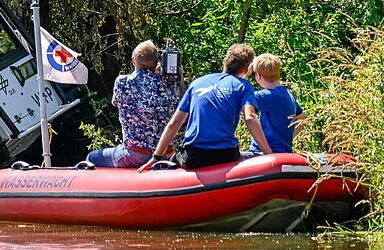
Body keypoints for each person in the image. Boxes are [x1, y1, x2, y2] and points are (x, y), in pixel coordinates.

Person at [138, 43, 273, 172]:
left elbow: (175, 123)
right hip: (226, 155)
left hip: (193, 157)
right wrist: (268, 154)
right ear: (247, 69)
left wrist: (156, 157)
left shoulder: (197, 83)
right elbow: (250, 118)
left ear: (225, 61)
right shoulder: (243, 86)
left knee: (173, 154)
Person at [85, 41, 182, 168]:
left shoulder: (123, 82)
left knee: (92, 157)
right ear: (158, 61)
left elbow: (115, 103)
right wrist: (176, 74)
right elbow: (181, 103)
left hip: (135, 155)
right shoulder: (169, 84)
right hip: (166, 153)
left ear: (133, 61)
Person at [241, 53, 306, 158]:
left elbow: (237, 95)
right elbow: (302, 118)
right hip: (283, 150)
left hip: (262, 152)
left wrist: (244, 76)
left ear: (258, 76)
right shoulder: (287, 93)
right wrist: (288, 137)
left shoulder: (266, 96)